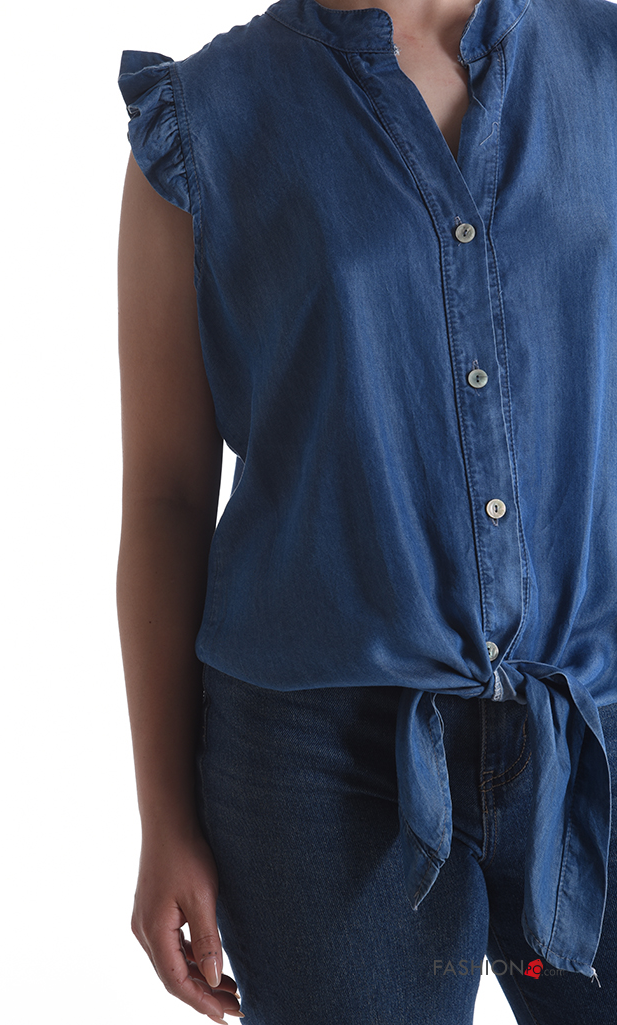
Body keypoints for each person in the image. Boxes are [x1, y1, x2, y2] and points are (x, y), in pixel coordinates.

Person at [115, 1, 617, 1022]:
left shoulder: (601, 62)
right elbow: (167, 498)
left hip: (594, 706)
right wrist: (164, 815)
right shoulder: (207, 119)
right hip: (317, 767)